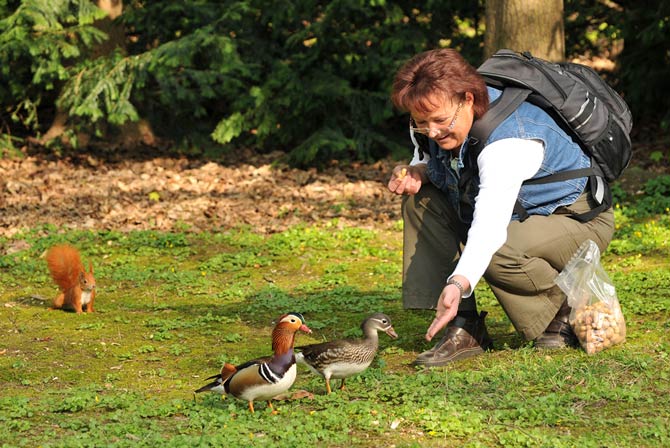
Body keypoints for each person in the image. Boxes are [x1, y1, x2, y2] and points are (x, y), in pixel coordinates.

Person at [387, 48, 615, 367]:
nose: (433, 132)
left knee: (500, 249)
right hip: (519, 216)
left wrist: (458, 281)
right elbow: (426, 157)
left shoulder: (509, 144)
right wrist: (417, 171)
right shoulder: (433, 123)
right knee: (420, 202)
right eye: (422, 123)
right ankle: (465, 326)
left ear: (467, 99)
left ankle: (561, 312)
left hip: (576, 218)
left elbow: (489, 227)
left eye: (440, 121)